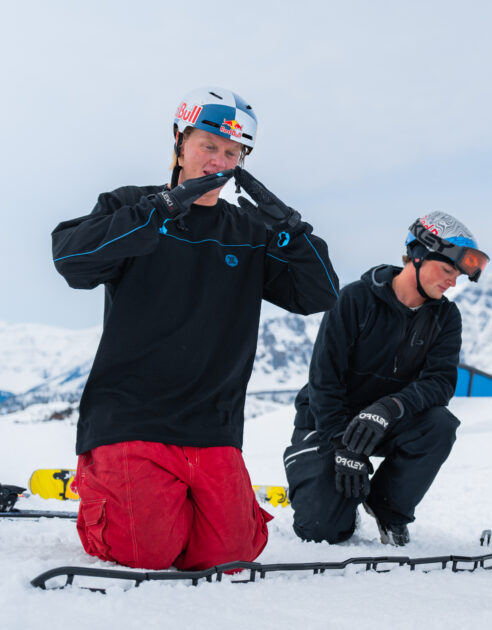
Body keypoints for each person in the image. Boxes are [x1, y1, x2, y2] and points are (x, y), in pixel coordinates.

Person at [51, 86, 340, 571]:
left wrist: (290, 228)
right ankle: (106, 495)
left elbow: (319, 294)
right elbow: (72, 260)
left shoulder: (251, 232)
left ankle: (165, 506)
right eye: (208, 145)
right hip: (130, 418)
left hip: (212, 424)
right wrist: (159, 209)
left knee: (230, 556)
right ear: (179, 143)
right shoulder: (131, 206)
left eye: (232, 153)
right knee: (147, 552)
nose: (218, 160)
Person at [284, 212, 489, 546]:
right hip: (327, 422)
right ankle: (322, 482)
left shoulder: (445, 316)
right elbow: (325, 379)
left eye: (458, 275)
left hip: (384, 423)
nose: (453, 282)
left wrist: (390, 408)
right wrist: (341, 443)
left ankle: (387, 507)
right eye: (448, 270)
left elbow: (440, 383)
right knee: (323, 530)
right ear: (418, 256)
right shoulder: (354, 299)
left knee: (439, 425)